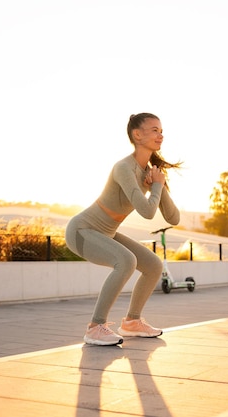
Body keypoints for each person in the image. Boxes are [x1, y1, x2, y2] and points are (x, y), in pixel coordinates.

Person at [65, 113, 182, 346]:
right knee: (126, 260)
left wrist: (159, 184)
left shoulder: (150, 171)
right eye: (154, 130)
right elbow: (147, 212)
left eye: (161, 130)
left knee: (153, 265)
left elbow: (173, 217)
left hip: (105, 232)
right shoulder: (123, 168)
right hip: (82, 230)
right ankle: (95, 327)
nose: (161, 135)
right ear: (137, 135)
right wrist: (156, 186)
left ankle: (131, 322)